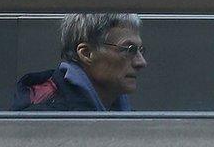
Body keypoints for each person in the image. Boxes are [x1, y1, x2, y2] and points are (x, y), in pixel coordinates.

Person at [11, 12, 148, 112]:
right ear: (86, 53)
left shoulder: (118, 112)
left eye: (140, 50)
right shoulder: (47, 120)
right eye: (129, 49)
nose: (141, 62)